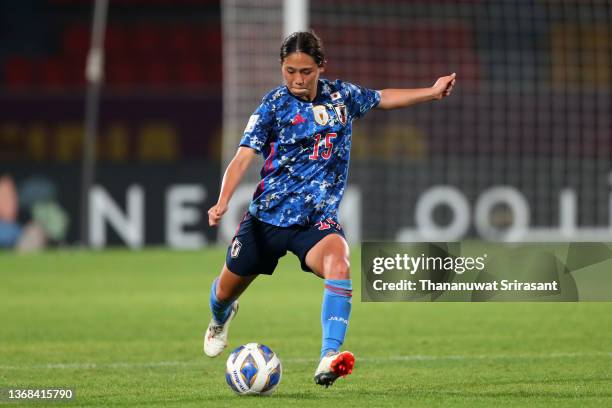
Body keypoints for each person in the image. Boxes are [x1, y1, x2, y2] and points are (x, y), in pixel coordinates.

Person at [204, 31, 456, 387]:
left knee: (340, 261)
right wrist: (224, 198)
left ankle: (329, 356)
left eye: (305, 70)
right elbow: (243, 155)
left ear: (321, 67)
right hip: (267, 220)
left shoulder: (343, 96)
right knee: (224, 292)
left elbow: (382, 98)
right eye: (289, 70)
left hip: (316, 223)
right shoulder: (273, 105)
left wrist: (430, 92)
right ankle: (220, 317)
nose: (296, 78)